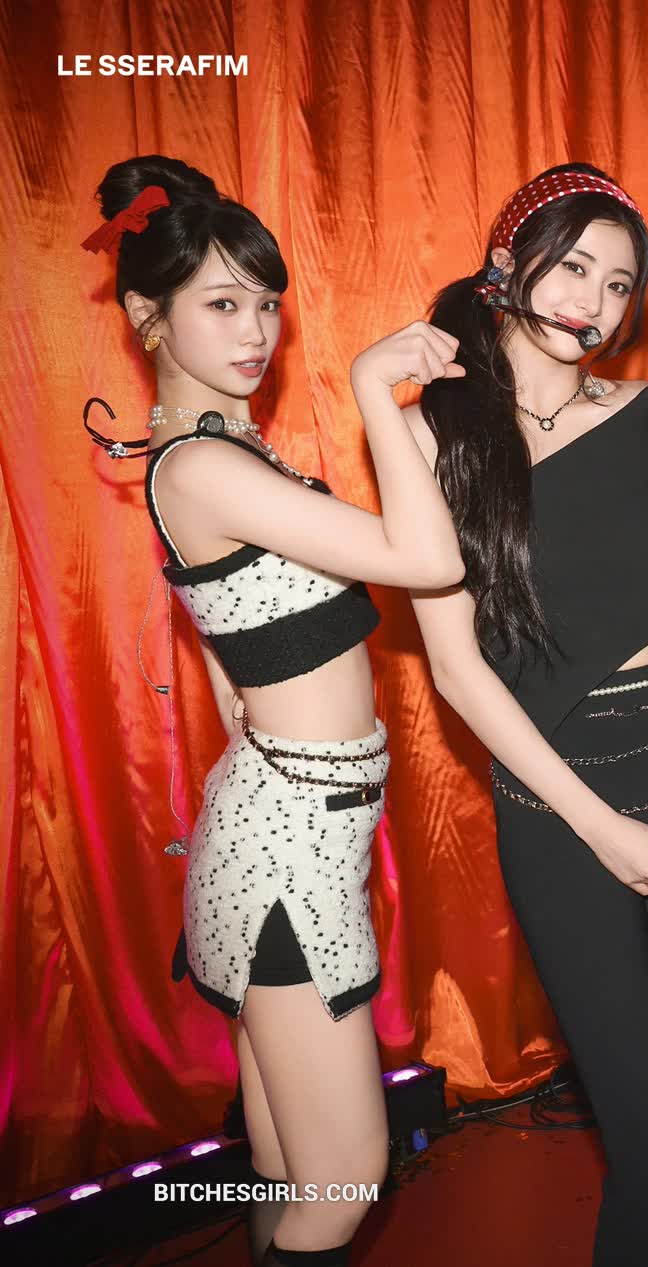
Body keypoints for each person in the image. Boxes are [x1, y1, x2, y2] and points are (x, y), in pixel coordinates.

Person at [87, 154, 466, 1266]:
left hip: (285, 818)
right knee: (343, 1185)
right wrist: (370, 387)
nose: (256, 330)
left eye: (265, 303)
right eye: (222, 304)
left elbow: (233, 635)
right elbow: (426, 560)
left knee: (291, 1168)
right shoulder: (202, 466)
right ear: (147, 316)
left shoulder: (225, 450)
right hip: (289, 842)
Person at [405, 164, 648, 1267]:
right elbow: (456, 668)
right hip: (557, 804)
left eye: (617, 285)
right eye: (573, 268)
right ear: (506, 265)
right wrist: (600, 829)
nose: (593, 301)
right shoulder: (433, 435)